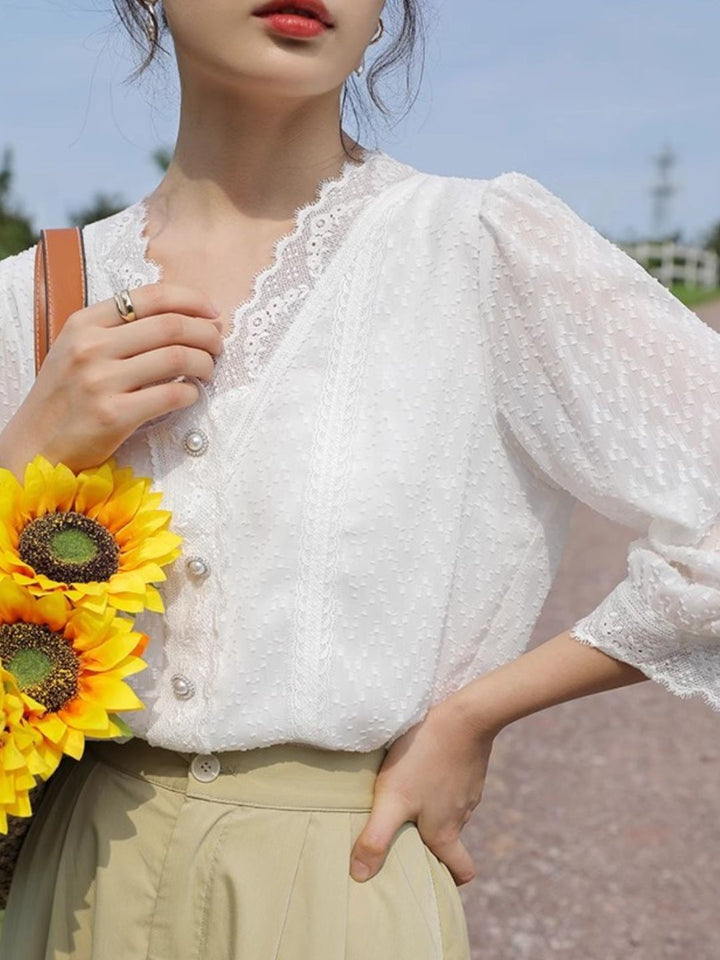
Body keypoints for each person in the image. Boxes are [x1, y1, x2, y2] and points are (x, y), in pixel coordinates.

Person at [0, 1, 719, 957]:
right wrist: (29, 452)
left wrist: (477, 712)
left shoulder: (479, 246)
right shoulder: (32, 298)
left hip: (345, 877)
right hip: (70, 879)